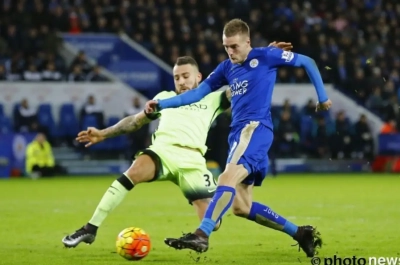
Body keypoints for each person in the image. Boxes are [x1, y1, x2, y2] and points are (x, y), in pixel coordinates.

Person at [61, 41, 292, 248]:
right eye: (177, 77)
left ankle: (200, 235)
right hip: (163, 151)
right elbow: (135, 121)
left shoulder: (213, 98)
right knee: (134, 171)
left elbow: (245, 82)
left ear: (199, 77)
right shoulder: (163, 98)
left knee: (214, 222)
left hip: (193, 162)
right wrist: (103, 133)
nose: (181, 82)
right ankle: (90, 228)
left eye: (185, 76)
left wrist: (262, 57)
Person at [146, 19, 332, 258]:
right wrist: (161, 104)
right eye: (226, 47)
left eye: (234, 46)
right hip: (239, 134)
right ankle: (300, 233)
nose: (230, 52)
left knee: (226, 177)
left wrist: (323, 97)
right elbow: (196, 94)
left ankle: (202, 234)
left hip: (255, 129)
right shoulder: (226, 68)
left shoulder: (266, 56)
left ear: (248, 42)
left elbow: (308, 61)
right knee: (241, 207)